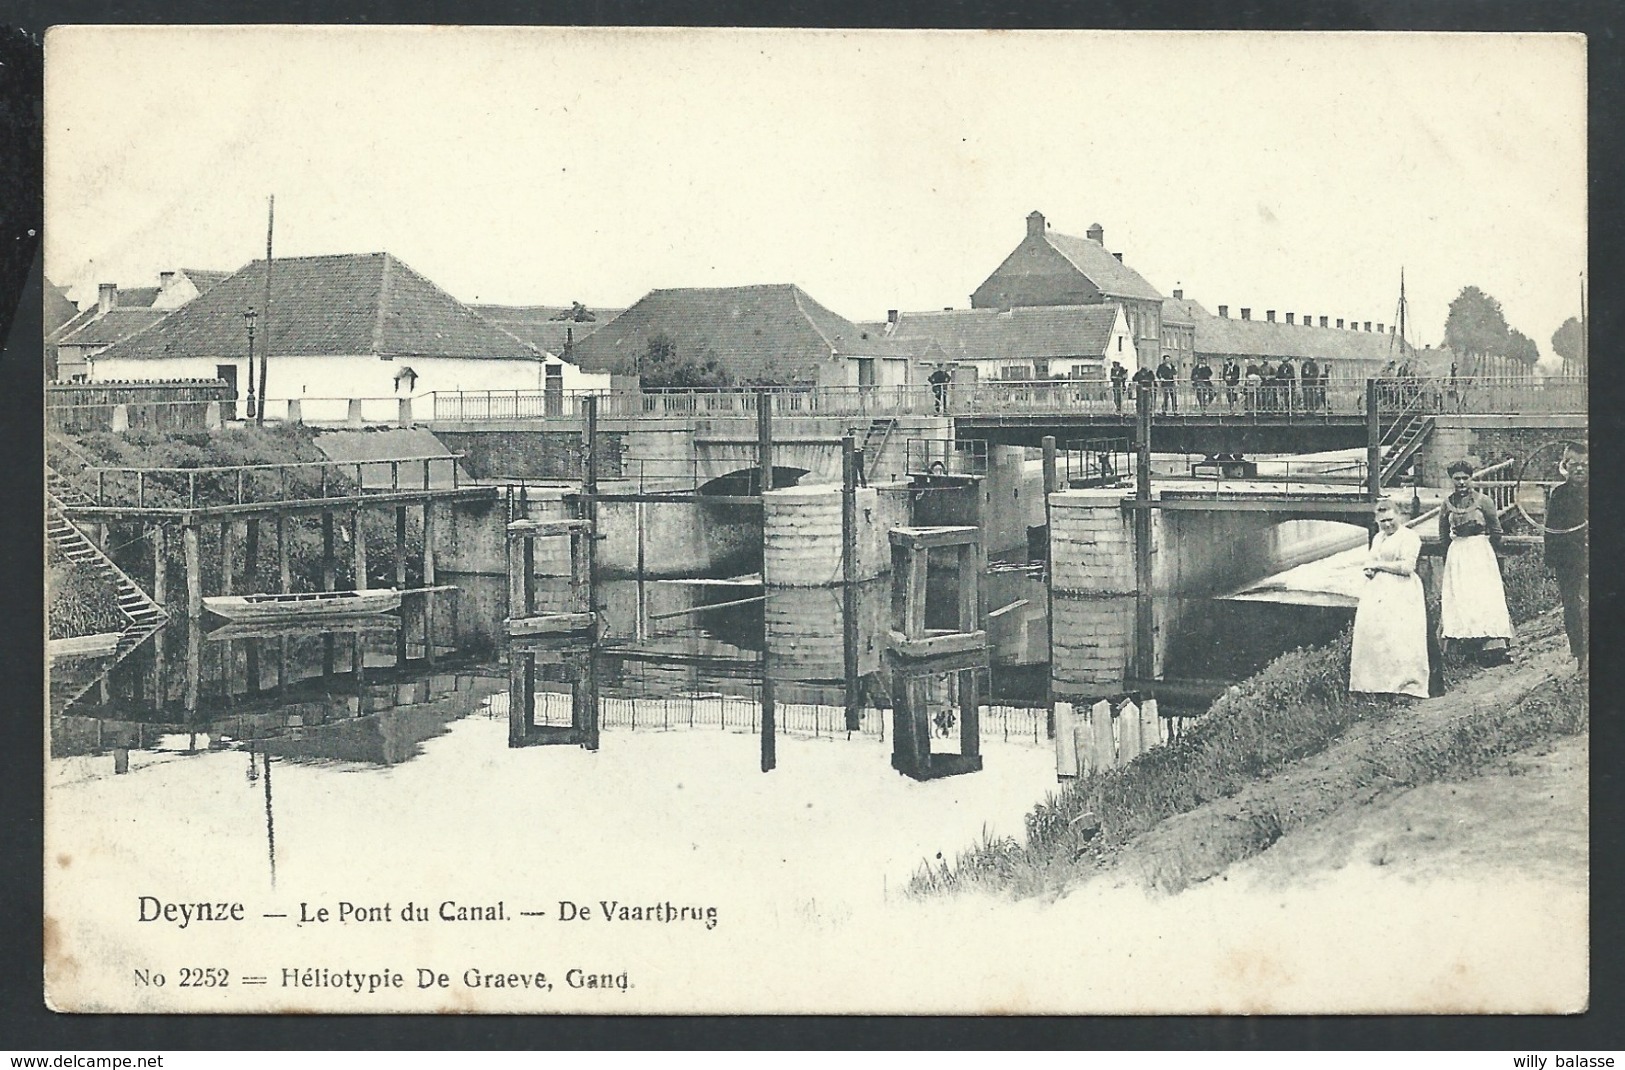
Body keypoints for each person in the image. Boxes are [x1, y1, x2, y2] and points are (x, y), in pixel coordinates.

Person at [1349, 498, 1430, 699]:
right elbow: (1371, 558)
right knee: (1377, 636)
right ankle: (1376, 685)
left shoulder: (1409, 537)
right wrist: (1369, 568)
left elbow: (1406, 567)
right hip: (1378, 592)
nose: (1387, 524)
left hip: (1402, 591)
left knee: (1400, 636)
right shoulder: (1379, 538)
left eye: (1390, 519)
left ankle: (1406, 686)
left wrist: (1378, 565)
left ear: (1399, 516)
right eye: (1382, 521)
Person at [1438, 460, 1514, 663]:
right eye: (1457, 479)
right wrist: (1450, 559)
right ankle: (1464, 646)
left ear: (1471, 478)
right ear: (1452, 480)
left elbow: (1496, 530)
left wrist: (1489, 552)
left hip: (1480, 552)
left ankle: (1491, 645)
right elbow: (1443, 535)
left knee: (1483, 595)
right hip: (1458, 553)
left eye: (1465, 478)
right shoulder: (1447, 504)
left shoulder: (1484, 501)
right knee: (1462, 596)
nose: (1462, 482)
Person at [1544, 443, 1589, 672]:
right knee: (1572, 605)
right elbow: (1551, 529)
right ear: (1566, 466)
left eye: (1585, 465)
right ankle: (1579, 654)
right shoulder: (1559, 494)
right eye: (1575, 464)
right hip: (1568, 560)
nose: (1580, 469)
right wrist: (1551, 562)